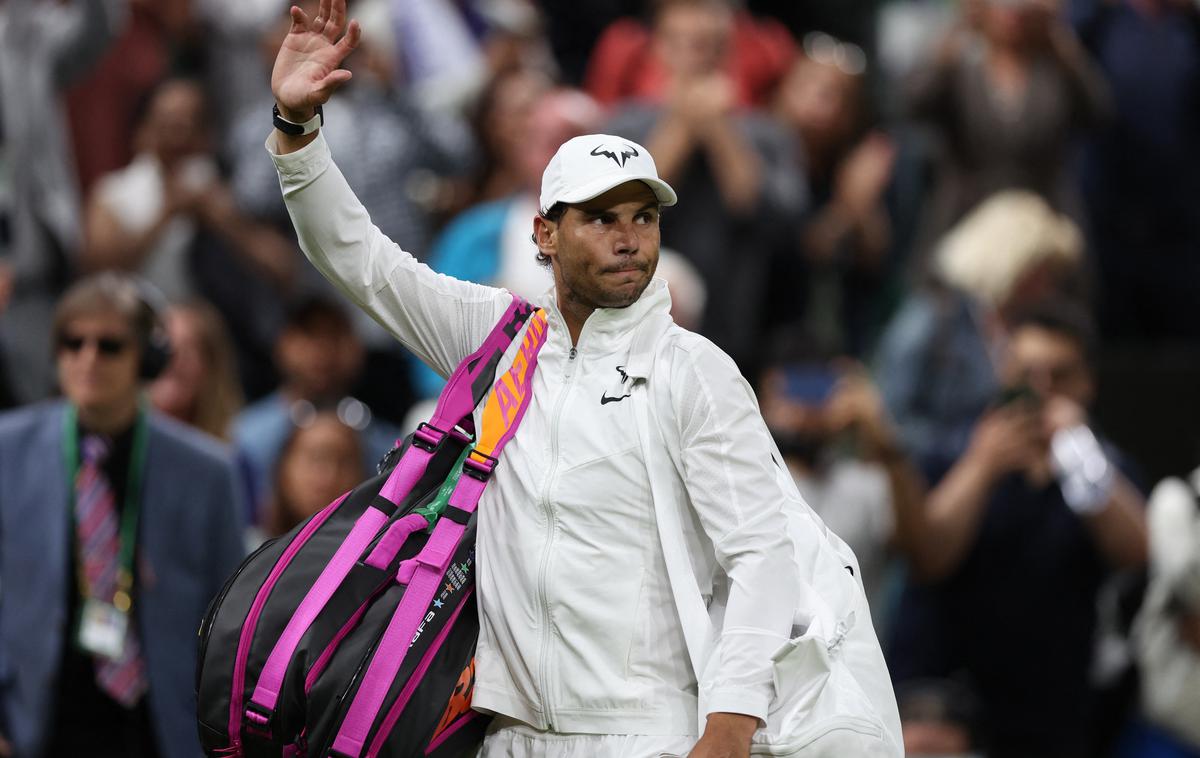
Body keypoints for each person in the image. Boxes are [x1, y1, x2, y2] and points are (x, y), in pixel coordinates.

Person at [263, 1, 900, 755]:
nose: (628, 237)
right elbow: (362, 261)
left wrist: (730, 727)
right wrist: (297, 133)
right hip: (507, 738)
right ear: (544, 234)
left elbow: (761, 557)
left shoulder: (692, 369)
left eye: (643, 216)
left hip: (651, 735)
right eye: (600, 218)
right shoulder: (498, 343)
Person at [0, 273, 246, 757]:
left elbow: (230, 621)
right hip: (36, 721)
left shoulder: (209, 473)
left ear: (148, 360)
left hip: (160, 726)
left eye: (109, 345)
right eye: (74, 342)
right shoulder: (6, 451)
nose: (88, 358)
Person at [889, 301, 1148, 758]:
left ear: (1087, 383)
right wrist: (983, 466)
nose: (1041, 391)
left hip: (1050, 715)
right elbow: (929, 557)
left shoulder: (1102, 469)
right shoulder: (949, 451)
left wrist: (1079, 456)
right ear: (1001, 372)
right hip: (943, 709)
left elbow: (1138, 553)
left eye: (1060, 376)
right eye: (1027, 374)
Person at [233, 295, 401, 517]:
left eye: (334, 335)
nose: (322, 349)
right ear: (283, 343)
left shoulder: (388, 445)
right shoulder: (245, 436)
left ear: (356, 347)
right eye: (309, 335)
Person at [261, 407, 367, 538]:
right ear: (284, 469)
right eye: (316, 458)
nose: (329, 476)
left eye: (343, 461)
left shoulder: (371, 555)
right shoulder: (253, 553)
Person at [148, 299, 245, 441]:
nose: (173, 359)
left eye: (187, 349)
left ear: (211, 366)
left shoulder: (234, 454)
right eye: (164, 345)